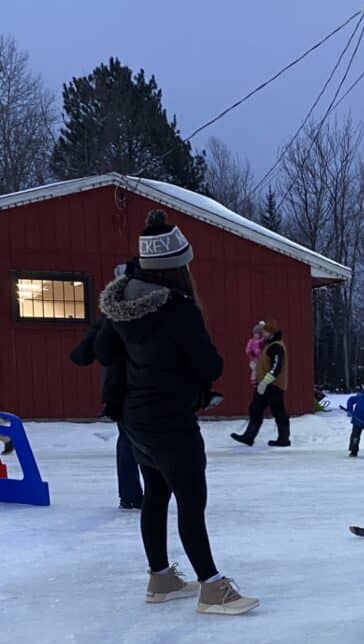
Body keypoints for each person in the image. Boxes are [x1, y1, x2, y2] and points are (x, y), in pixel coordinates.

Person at [96, 209, 258, 615]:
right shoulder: (178, 309)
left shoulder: (122, 306)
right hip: (171, 418)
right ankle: (212, 588)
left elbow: (103, 352)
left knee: (156, 493)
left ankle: (161, 579)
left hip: (136, 419)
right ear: (177, 265)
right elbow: (211, 365)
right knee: (190, 500)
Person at [69, 292, 144, 510]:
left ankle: (131, 496)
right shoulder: (153, 310)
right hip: (140, 385)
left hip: (118, 389)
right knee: (143, 440)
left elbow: (81, 355)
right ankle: (145, 496)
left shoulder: (110, 316)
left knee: (128, 440)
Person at [231, 319, 290, 448]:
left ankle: (284, 438)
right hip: (263, 384)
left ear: (271, 333)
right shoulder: (268, 344)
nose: (263, 333)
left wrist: (265, 382)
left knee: (278, 410)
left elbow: (276, 367)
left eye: (265, 331)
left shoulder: (276, 346)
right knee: (255, 409)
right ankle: (249, 436)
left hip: (274, 385)